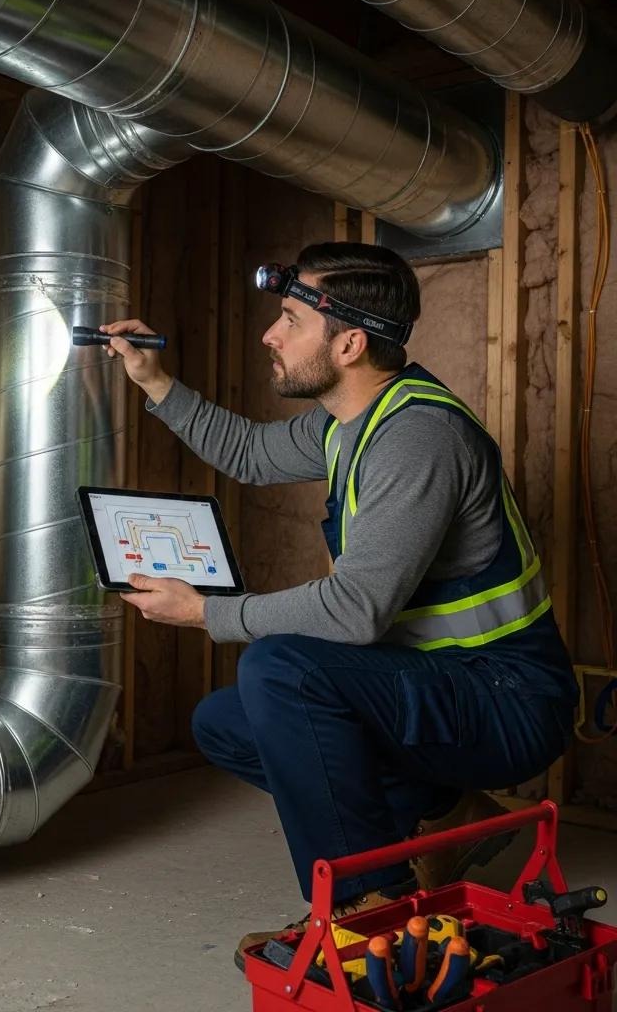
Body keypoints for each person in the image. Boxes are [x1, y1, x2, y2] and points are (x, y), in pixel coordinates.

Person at [100, 241, 579, 971]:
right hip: (432, 681)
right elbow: (251, 454)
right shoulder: (345, 423)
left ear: (350, 344)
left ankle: (368, 913)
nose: (270, 334)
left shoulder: (418, 436)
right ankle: (449, 815)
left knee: (280, 672)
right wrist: (154, 380)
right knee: (225, 723)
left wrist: (209, 613)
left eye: (289, 318)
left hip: (508, 695)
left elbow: (356, 612)